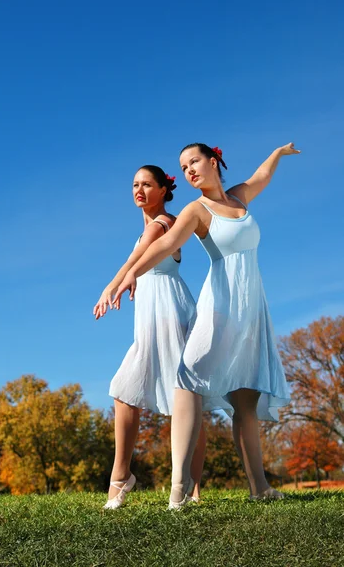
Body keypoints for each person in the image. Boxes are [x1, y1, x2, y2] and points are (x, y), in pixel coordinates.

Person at [114, 143, 300, 508]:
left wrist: (277, 153)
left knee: (246, 397)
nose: (189, 171)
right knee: (188, 377)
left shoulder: (238, 198)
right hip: (219, 304)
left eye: (193, 162)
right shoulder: (196, 210)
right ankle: (179, 488)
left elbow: (260, 177)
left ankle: (259, 487)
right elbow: (166, 241)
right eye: (183, 168)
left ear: (213, 162)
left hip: (252, 308)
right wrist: (129, 275)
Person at [94, 165, 206, 509]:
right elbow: (135, 260)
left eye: (146, 184)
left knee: (185, 396)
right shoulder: (148, 227)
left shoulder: (163, 224)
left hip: (171, 314)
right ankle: (123, 477)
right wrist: (117, 284)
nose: (138, 190)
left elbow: (135, 259)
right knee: (126, 391)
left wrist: (111, 286)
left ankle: (191, 487)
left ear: (163, 190)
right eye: (134, 185)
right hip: (149, 318)